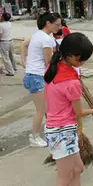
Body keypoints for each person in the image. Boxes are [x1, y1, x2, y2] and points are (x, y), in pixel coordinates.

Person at [44, 33, 93, 186]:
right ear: (69, 56)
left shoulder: (52, 68)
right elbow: (80, 112)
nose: (82, 63)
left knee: (77, 169)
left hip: (58, 129)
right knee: (63, 179)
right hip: (63, 132)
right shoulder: (71, 82)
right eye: (80, 59)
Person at [21, 12, 61, 147]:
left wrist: (24, 61)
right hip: (37, 76)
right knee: (41, 110)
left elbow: (24, 45)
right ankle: (34, 137)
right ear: (48, 23)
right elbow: (49, 61)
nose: (59, 27)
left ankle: (52, 130)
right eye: (57, 24)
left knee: (46, 108)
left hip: (31, 75)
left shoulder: (37, 34)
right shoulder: (46, 39)